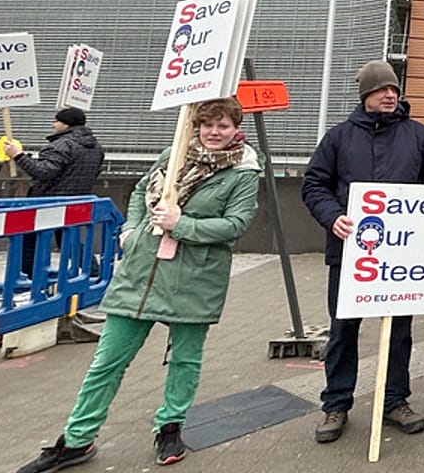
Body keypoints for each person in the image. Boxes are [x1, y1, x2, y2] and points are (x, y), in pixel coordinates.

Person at [15, 98, 260, 472]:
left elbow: (235, 224)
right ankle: (77, 439)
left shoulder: (242, 172)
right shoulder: (173, 154)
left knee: (184, 360)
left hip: (194, 279)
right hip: (141, 271)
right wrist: (129, 230)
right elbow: (140, 191)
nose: (214, 132)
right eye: (207, 124)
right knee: (107, 361)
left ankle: (169, 428)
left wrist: (182, 224)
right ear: (195, 125)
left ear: (235, 129)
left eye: (223, 125)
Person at [301, 61, 424, 445]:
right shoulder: (339, 137)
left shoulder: (417, 135)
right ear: (365, 95)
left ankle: (394, 401)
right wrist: (332, 217)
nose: (390, 95)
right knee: (343, 330)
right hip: (350, 254)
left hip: (403, 258)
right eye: (381, 89)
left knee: (399, 332)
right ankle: (336, 404)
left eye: (394, 89)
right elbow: (314, 184)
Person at [4, 107, 106, 277]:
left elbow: (43, 172)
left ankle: (30, 277)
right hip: (76, 201)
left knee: (30, 240)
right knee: (69, 240)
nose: (53, 124)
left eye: (56, 121)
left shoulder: (60, 146)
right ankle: (94, 272)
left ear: (66, 124)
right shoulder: (96, 148)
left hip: (49, 201)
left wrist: (18, 156)